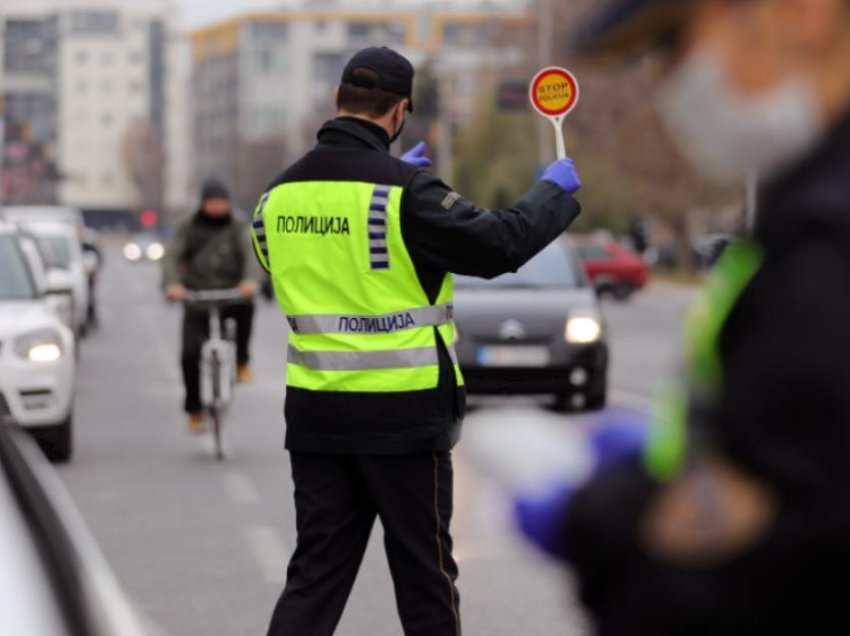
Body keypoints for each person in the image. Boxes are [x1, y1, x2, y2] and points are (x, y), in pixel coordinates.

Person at [512, 1, 850, 633]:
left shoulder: (824, 248)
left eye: (675, 43)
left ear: (801, 13)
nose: (666, 84)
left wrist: (611, 527)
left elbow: (778, 576)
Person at [251, 46, 583, 636]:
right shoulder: (405, 194)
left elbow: (305, 266)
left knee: (315, 578)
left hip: (317, 416)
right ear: (401, 111)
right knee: (425, 580)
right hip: (404, 417)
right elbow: (500, 243)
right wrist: (552, 193)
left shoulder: (273, 200)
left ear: (338, 101)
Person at [163, 179, 260, 433]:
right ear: (204, 203)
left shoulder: (238, 225)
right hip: (197, 298)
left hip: (231, 295)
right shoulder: (189, 226)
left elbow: (250, 254)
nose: (218, 207)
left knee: (247, 309)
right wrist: (173, 285)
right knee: (189, 355)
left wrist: (250, 281)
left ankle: (242, 362)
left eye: (222, 202)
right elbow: (172, 255)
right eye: (213, 202)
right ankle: (194, 409)